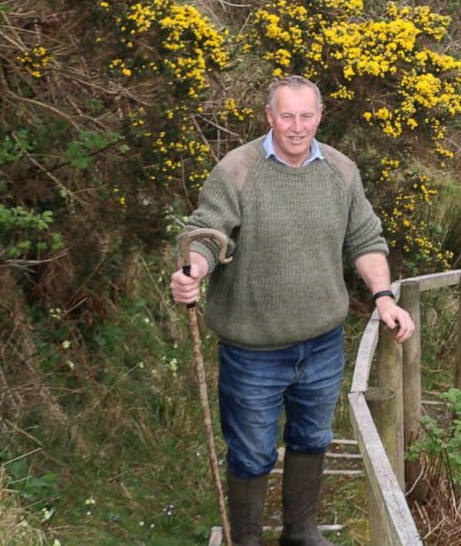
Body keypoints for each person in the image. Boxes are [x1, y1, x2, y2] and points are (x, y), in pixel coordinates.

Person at [171, 75, 414, 546]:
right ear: (269, 117)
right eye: (287, 116)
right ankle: (246, 540)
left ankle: (300, 531)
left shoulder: (341, 172)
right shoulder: (236, 171)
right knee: (252, 452)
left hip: (322, 344)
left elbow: (365, 239)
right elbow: (207, 232)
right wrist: (193, 271)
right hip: (252, 348)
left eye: (306, 116)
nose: (297, 127)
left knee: (313, 438)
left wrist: (384, 296)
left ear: (320, 116)